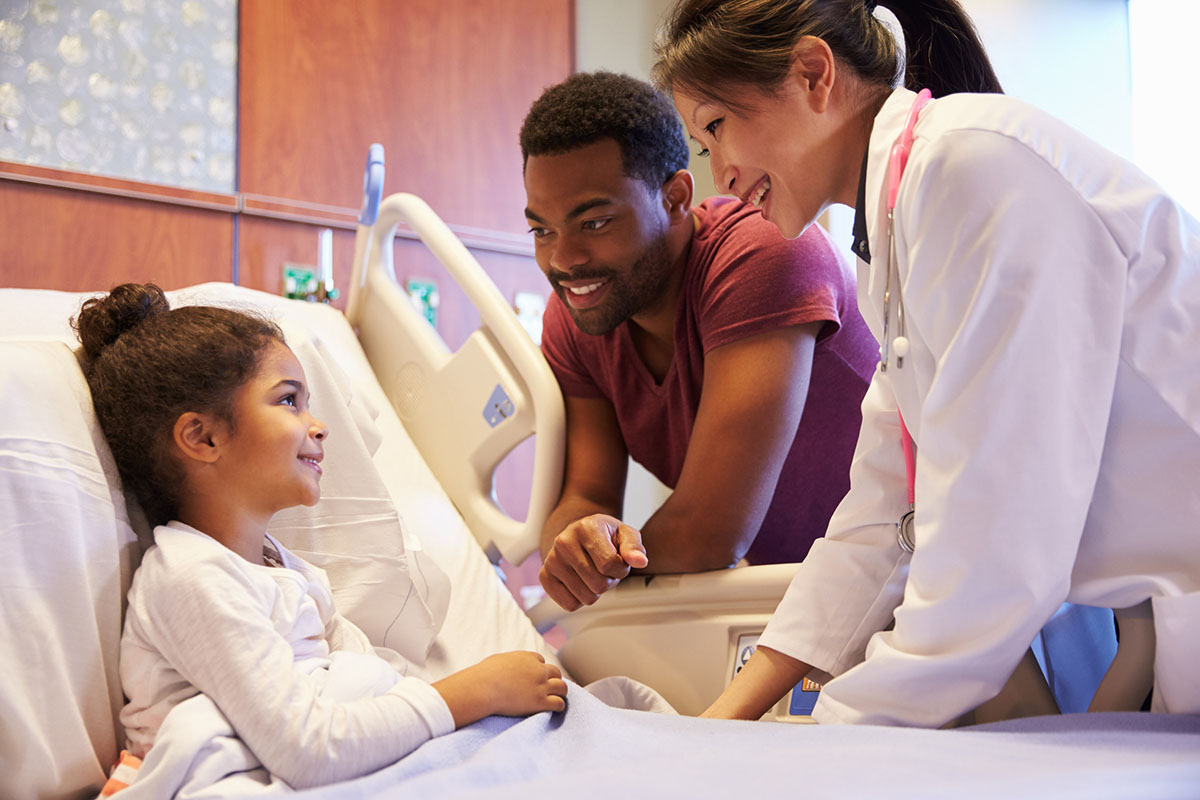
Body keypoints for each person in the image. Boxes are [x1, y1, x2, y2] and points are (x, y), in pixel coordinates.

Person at [652, 0, 1200, 727]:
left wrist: (835, 730)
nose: (720, 174)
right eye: (700, 145)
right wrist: (727, 719)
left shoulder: (972, 168)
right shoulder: (896, 233)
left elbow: (998, 549)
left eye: (717, 126)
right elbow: (884, 511)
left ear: (814, 74)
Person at [74, 284, 567, 789]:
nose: (320, 425)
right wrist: (474, 693)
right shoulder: (189, 578)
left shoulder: (286, 569)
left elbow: (374, 690)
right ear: (203, 438)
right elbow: (307, 749)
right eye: (289, 400)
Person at [520, 71, 879, 611]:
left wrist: (610, 566)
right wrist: (578, 545)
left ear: (676, 198)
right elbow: (586, 495)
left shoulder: (764, 254)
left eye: (593, 223)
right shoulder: (577, 317)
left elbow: (710, 532)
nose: (563, 260)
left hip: (919, 571)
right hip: (807, 597)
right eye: (541, 230)